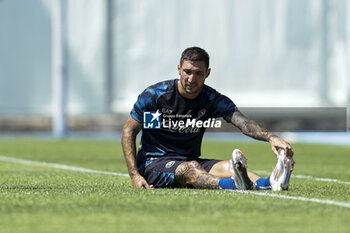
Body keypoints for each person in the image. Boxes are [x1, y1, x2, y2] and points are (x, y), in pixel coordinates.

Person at [122, 46, 294, 191]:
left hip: (190, 160)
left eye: (198, 73)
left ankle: (269, 184)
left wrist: (271, 137)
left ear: (208, 73)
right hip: (154, 164)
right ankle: (236, 185)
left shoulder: (211, 99)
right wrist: (135, 175)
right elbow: (129, 131)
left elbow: (243, 122)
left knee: (229, 166)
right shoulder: (156, 96)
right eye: (187, 72)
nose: (191, 79)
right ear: (179, 69)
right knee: (191, 169)